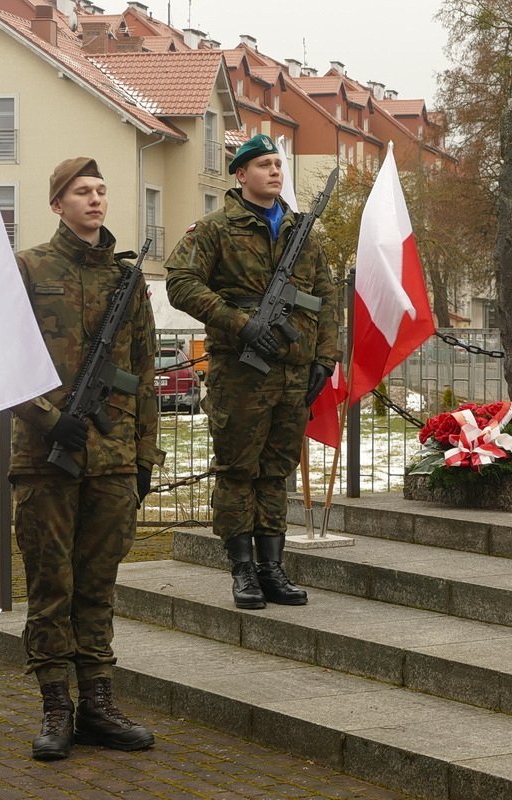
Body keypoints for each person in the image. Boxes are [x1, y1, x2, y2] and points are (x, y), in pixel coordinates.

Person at [11, 157, 163, 760]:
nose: (96, 200)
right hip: (45, 458)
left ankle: (97, 702)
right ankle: (56, 706)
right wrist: (53, 420)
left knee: (98, 587)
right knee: (52, 586)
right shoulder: (26, 270)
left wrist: (144, 455)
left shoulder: (127, 281)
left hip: (114, 458)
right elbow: (5, 364)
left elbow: (145, 374)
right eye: (82, 191)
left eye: (101, 191)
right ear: (57, 204)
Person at [165, 134, 340, 610]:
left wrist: (325, 358)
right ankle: (242, 570)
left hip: (293, 372)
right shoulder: (216, 229)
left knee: (275, 471)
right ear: (241, 175)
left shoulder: (301, 233)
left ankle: (272, 568)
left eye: (277, 164)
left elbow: (325, 299)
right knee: (239, 471)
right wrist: (239, 324)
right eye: (263, 165)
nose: (274, 172)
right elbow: (180, 283)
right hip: (242, 373)